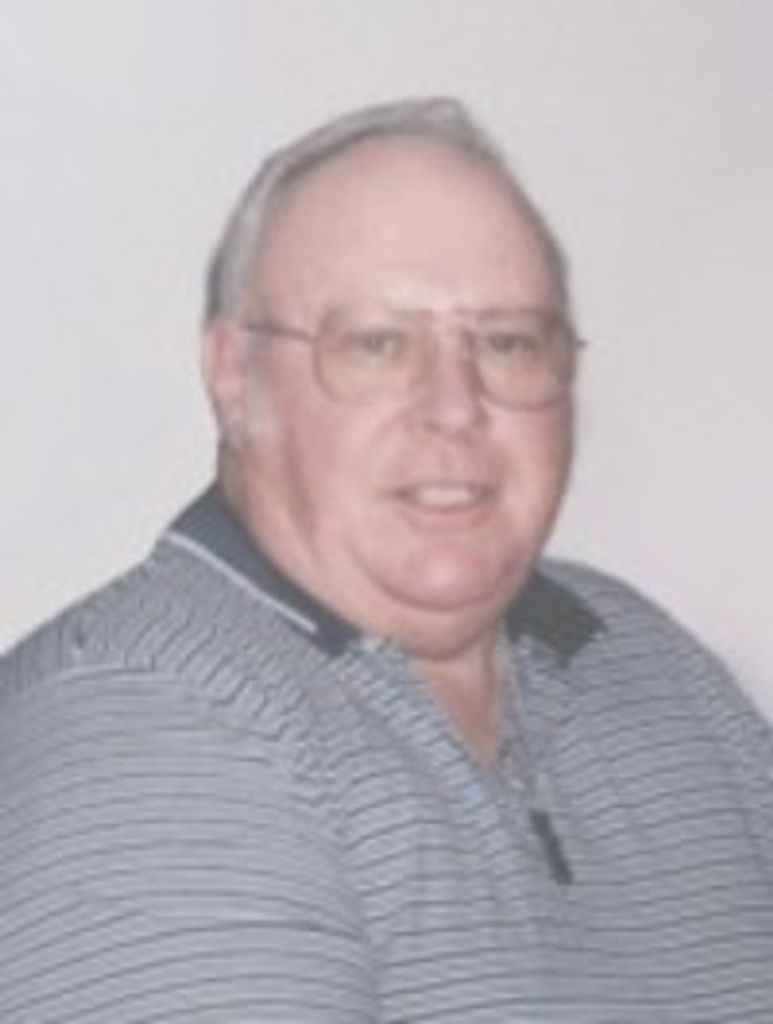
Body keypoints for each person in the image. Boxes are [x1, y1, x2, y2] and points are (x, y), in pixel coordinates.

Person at [2, 98, 772, 1024]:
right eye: (375, 345)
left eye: (508, 343)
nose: (455, 406)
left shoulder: (646, 657)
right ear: (234, 378)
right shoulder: (137, 740)